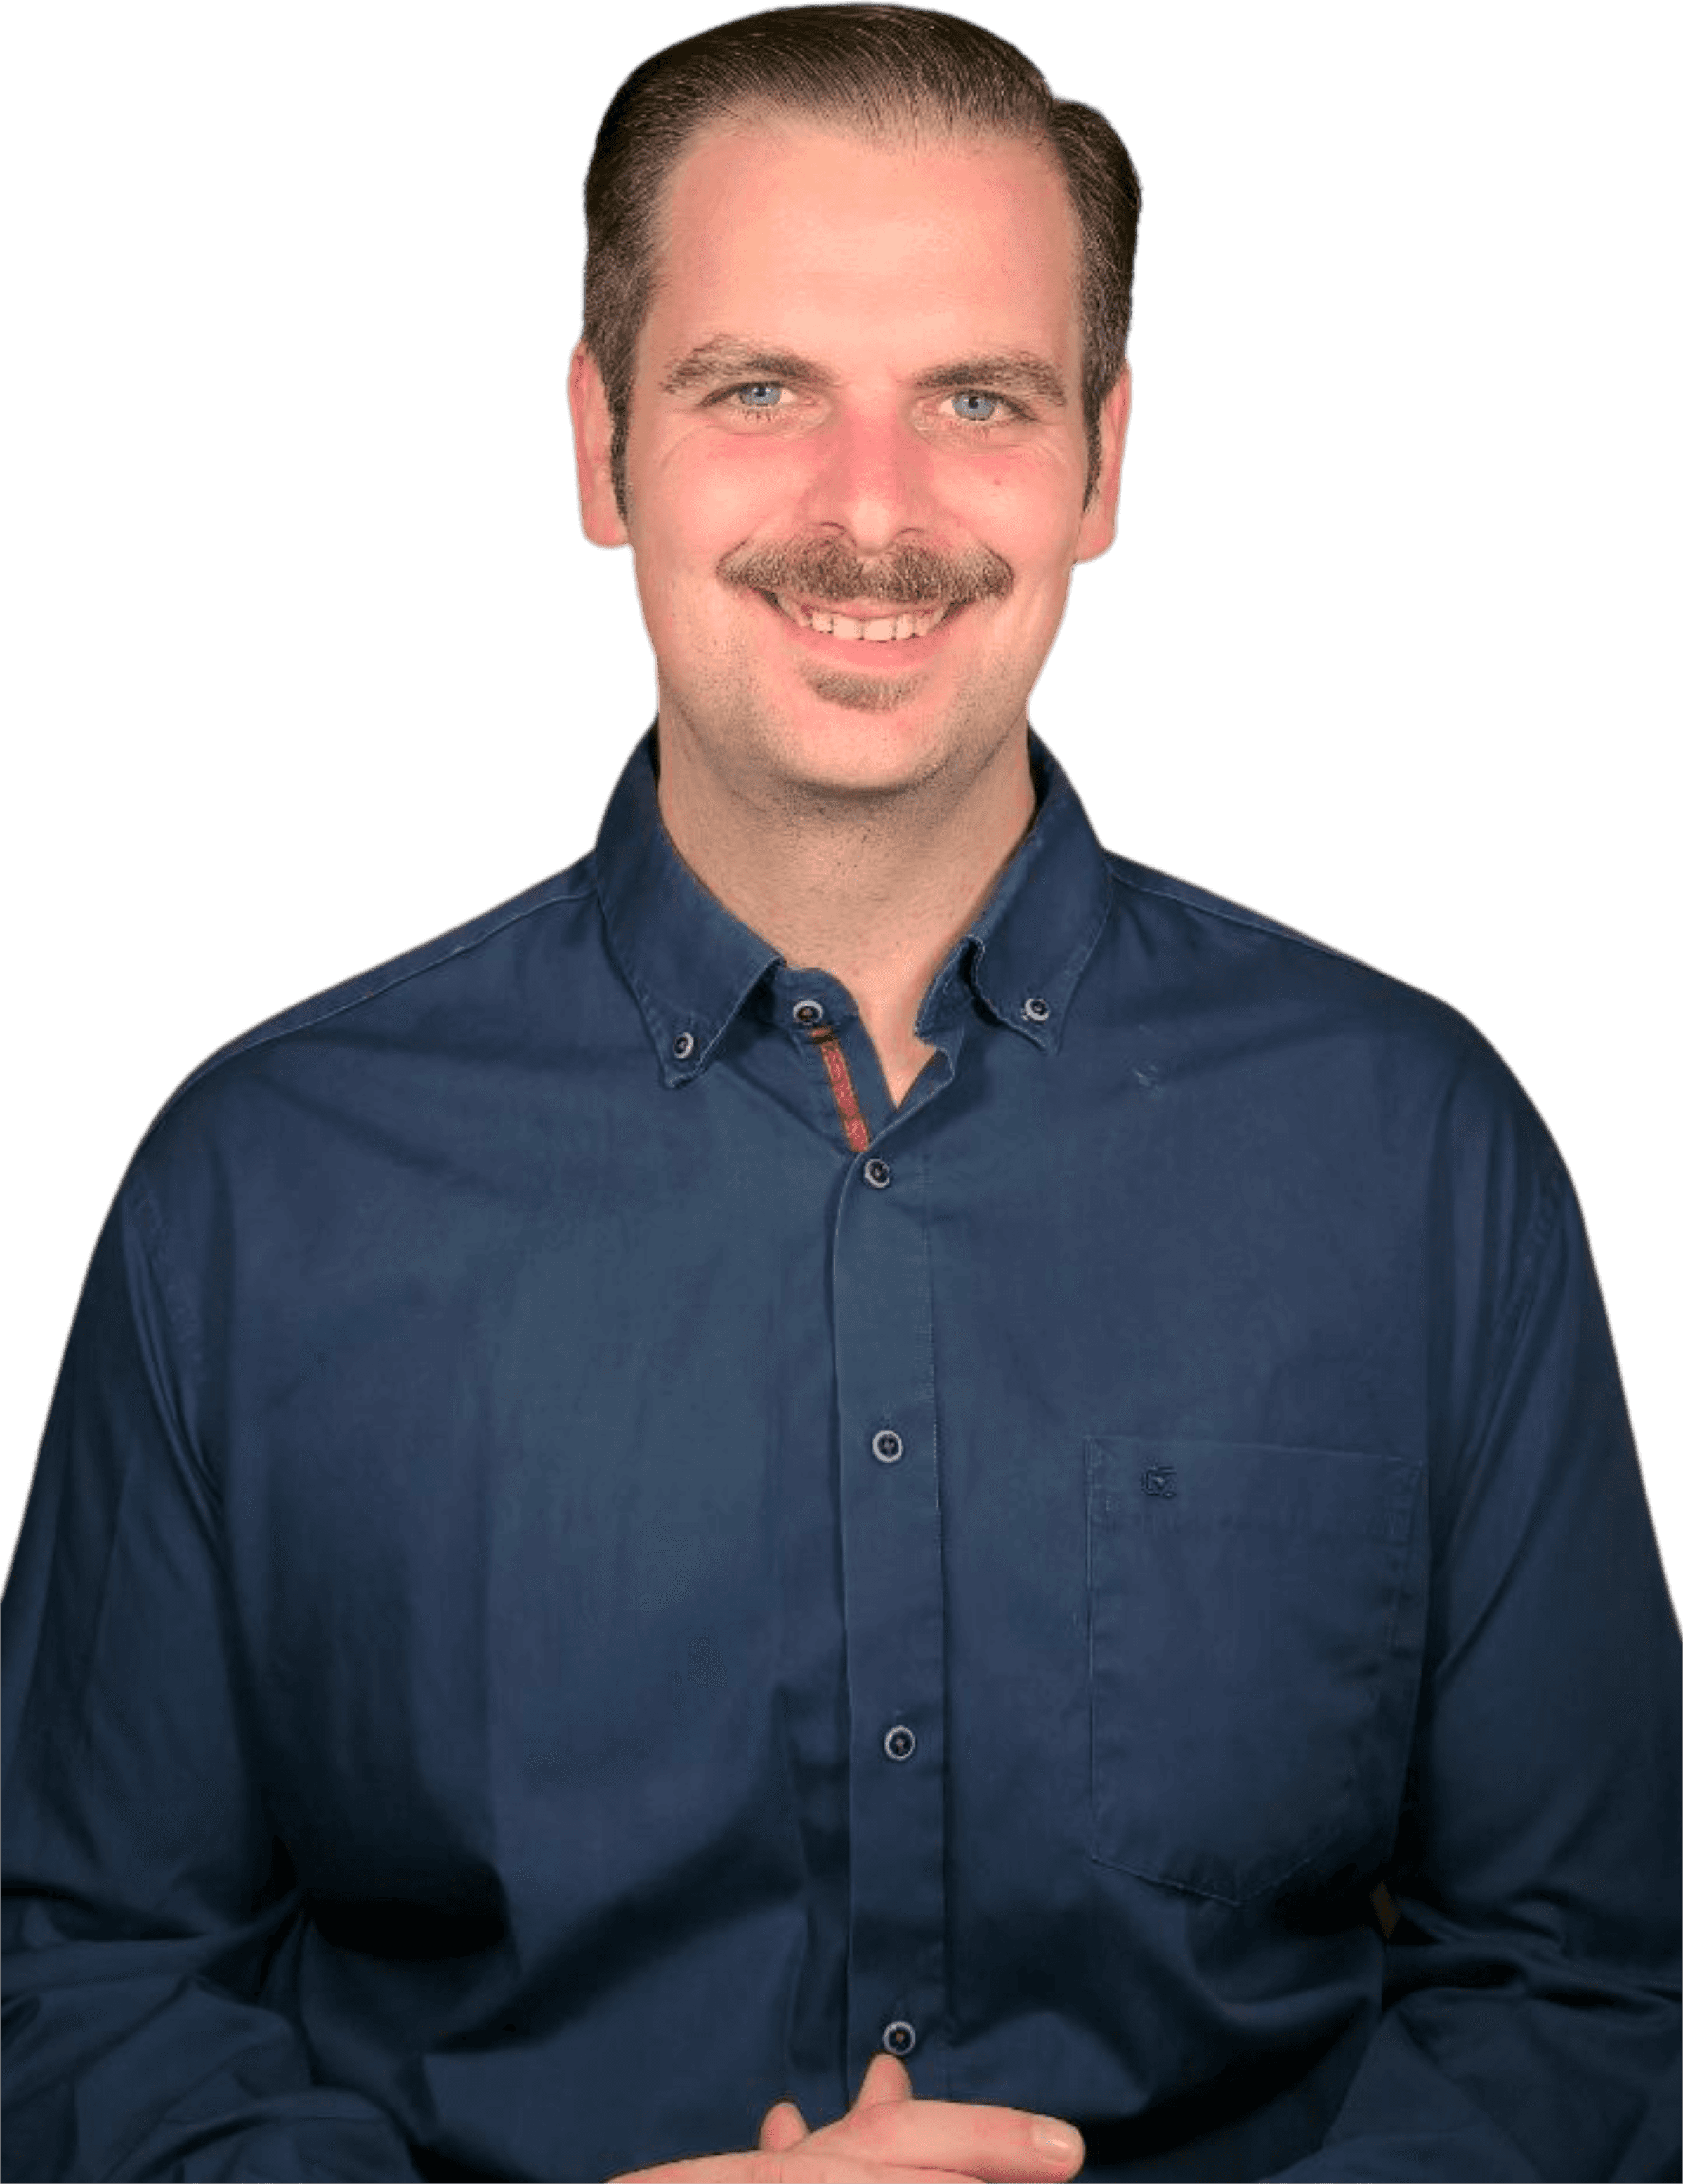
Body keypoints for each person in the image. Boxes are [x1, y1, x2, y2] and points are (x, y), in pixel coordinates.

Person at [3, 2, 1677, 2177]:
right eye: (759, 390)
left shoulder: (1417, 1151)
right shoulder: (257, 1190)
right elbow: (81, 1988)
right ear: (601, 447)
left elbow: (1592, 1979)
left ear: (1101, 462)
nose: (869, 514)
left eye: (976, 399)